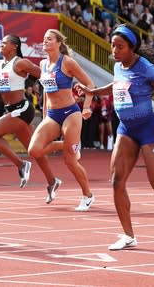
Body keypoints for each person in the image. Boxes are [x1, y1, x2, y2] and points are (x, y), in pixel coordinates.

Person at [75, 25, 154, 250]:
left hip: (149, 129)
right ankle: (128, 236)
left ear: (132, 48)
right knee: (117, 182)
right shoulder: (118, 66)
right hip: (126, 129)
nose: (114, 50)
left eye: (120, 46)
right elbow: (115, 85)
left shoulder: (147, 69)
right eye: (113, 45)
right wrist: (92, 92)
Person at [0, 35, 60, 192]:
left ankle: (21, 165)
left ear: (14, 46)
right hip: (11, 111)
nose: (1, 45)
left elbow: (45, 75)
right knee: (34, 150)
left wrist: (55, 94)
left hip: (22, 109)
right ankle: (52, 181)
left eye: (4, 43)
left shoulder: (20, 63)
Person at [27, 29, 96, 211]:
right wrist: (44, 118)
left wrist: (87, 106)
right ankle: (71, 145)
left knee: (70, 161)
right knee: (34, 150)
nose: (45, 42)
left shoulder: (67, 63)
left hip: (70, 114)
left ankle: (88, 195)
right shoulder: (42, 64)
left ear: (59, 43)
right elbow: (45, 94)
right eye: (44, 39)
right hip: (52, 115)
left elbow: (90, 84)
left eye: (49, 39)